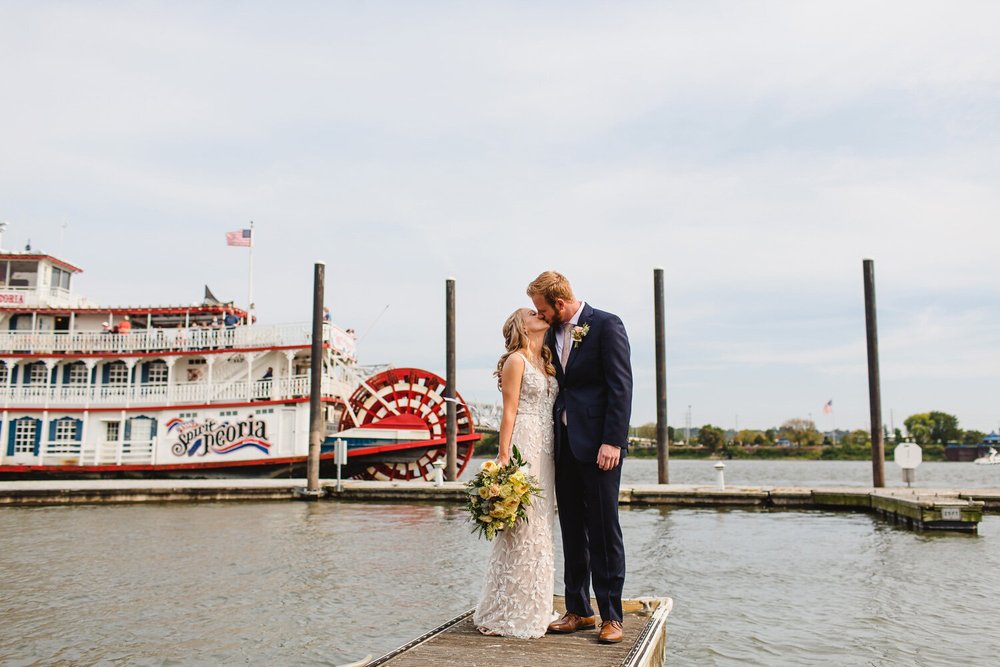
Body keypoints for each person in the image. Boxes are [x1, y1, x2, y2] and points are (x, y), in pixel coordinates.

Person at [528, 270, 633, 645]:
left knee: (605, 530)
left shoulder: (606, 325)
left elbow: (621, 386)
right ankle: (579, 610)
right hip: (565, 445)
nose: (537, 314)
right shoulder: (549, 333)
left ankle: (612, 616)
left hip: (601, 447)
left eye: (541, 308)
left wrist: (613, 441)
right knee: (572, 528)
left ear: (559, 304)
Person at [473, 307, 557, 639]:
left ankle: (534, 605)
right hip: (525, 441)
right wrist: (504, 456)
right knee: (522, 525)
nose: (540, 314)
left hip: (548, 447)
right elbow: (508, 412)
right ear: (521, 325)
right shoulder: (516, 360)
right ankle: (509, 608)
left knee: (541, 523)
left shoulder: (545, 363)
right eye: (532, 313)